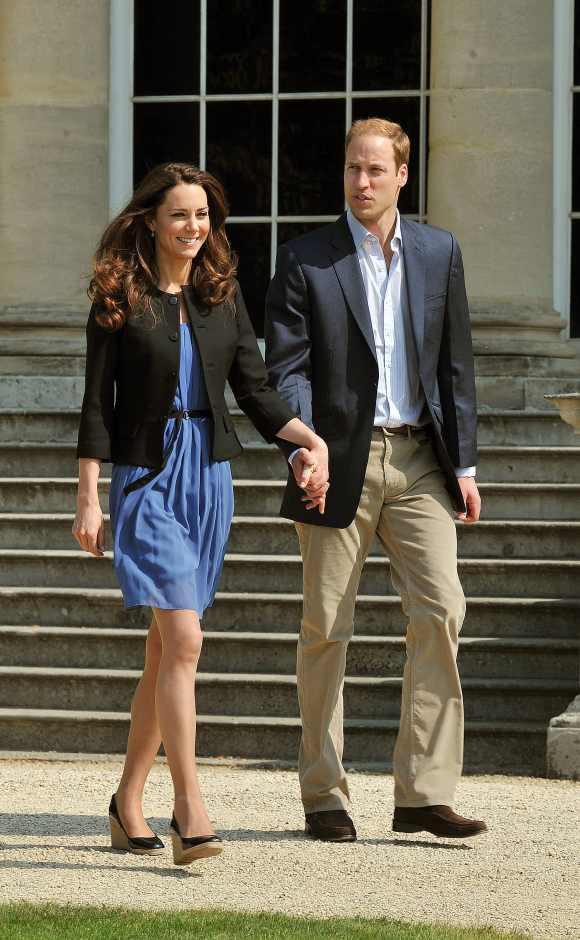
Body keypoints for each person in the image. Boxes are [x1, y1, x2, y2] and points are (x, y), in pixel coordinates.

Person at [73, 162, 329, 866]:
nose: (194, 228)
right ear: (151, 220)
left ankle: (128, 803)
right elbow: (98, 403)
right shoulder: (118, 294)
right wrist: (89, 495)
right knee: (184, 641)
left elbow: (255, 387)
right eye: (180, 215)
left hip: (209, 480)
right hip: (147, 477)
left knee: (165, 651)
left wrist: (307, 441)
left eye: (204, 216)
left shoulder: (222, 294)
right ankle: (191, 809)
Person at [265, 118, 488, 842]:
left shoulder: (438, 250)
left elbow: (455, 362)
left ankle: (422, 792)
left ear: (401, 175)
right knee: (326, 627)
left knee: (442, 608)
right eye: (351, 169)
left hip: (419, 458)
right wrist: (301, 446)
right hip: (334, 461)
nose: (361, 182)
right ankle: (323, 793)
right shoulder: (306, 259)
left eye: (374, 170)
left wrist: (465, 463)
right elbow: (287, 369)